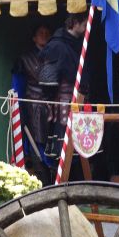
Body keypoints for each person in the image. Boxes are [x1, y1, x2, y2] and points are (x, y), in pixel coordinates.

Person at [39, 12, 89, 162]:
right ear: (75, 22)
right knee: (64, 153)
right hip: (64, 104)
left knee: (80, 152)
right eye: (84, 23)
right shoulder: (56, 46)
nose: (86, 26)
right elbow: (48, 83)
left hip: (80, 101)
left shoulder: (79, 43)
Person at [11, 24, 52, 183]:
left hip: (52, 106)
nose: (44, 35)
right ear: (34, 37)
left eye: (47, 32)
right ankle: (42, 176)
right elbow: (18, 89)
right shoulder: (25, 59)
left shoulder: (54, 55)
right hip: (34, 107)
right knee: (37, 143)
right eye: (41, 32)